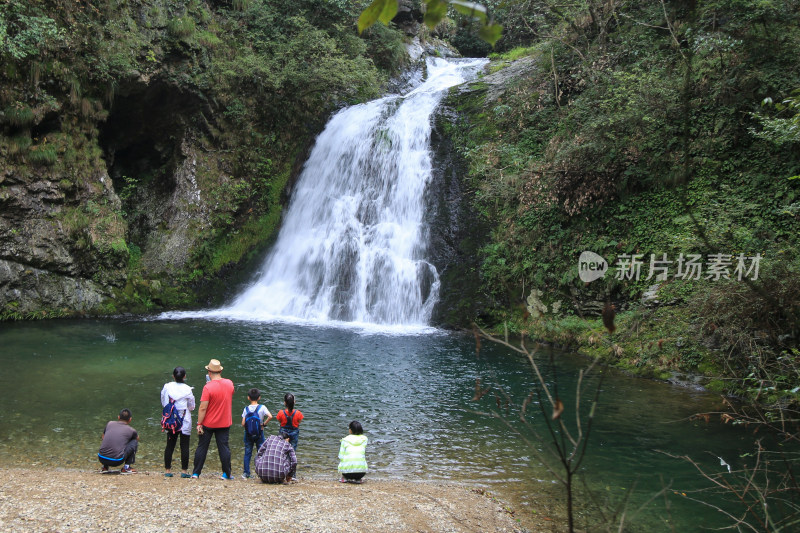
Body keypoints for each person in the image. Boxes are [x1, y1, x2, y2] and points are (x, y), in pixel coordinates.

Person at [192, 358, 235, 480]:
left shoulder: (208, 387)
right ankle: (226, 473)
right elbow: (229, 394)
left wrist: (199, 423)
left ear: (209, 372)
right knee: (224, 448)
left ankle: (196, 473)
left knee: (202, 447)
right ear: (220, 371)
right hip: (224, 422)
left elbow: (202, 408)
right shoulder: (229, 383)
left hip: (208, 423)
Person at [161, 366, 196, 478]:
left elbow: (164, 401)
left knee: (170, 445)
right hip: (185, 420)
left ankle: (167, 470)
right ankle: (184, 471)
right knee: (184, 445)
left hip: (170, 420)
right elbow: (191, 407)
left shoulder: (167, 387)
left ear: (173, 376)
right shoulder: (188, 389)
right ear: (184, 377)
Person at [241, 387, 272, 479]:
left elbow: (243, 423)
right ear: (259, 398)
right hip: (259, 433)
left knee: (247, 453)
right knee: (261, 452)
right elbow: (270, 416)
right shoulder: (262, 407)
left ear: (248, 398)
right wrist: (263, 425)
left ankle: (246, 473)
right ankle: (262, 472)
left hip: (248, 434)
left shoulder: (246, 409)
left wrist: (248, 428)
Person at [98, 408, 139, 474]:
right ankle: (126, 468)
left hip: (101, 458)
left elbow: (103, 437)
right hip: (116, 461)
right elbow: (137, 439)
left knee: (110, 439)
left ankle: (105, 467)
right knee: (134, 442)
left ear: (118, 417)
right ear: (130, 419)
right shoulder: (131, 430)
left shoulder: (109, 423)